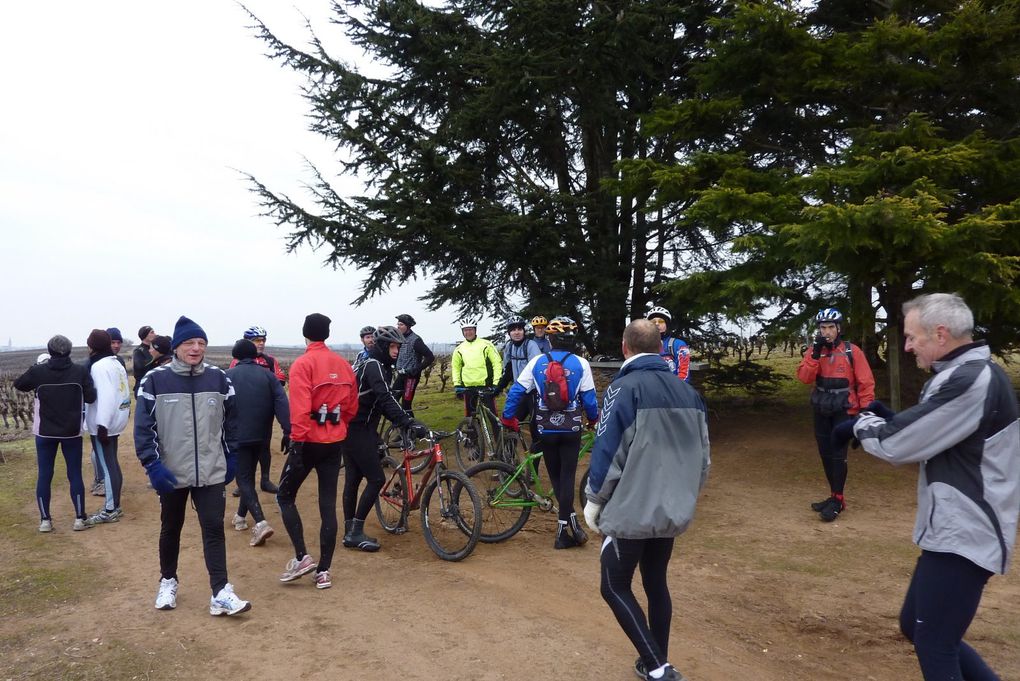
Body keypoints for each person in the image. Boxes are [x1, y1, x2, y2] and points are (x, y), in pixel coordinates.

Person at [833, 293, 1019, 681]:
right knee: (915, 625)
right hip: (953, 527)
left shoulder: (972, 379)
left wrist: (861, 425)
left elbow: (899, 445)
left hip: (968, 530)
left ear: (940, 333)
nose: (906, 346)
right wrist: (896, 419)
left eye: (912, 337)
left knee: (935, 641)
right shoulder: (964, 373)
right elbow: (941, 433)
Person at [583, 318, 711, 681]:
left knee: (613, 584)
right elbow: (703, 458)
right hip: (671, 507)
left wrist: (594, 501)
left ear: (625, 347)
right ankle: (656, 658)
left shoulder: (624, 389)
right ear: (660, 346)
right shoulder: (688, 392)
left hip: (632, 510)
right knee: (656, 581)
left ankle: (658, 666)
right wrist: (686, 495)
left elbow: (609, 451)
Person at [135, 315, 251, 616]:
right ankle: (168, 580)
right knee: (171, 527)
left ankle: (220, 592)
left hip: (211, 470)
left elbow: (233, 423)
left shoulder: (218, 378)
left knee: (213, 528)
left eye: (201, 343)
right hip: (171, 472)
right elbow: (143, 428)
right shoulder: (155, 380)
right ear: (176, 347)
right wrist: (152, 465)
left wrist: (232, 457)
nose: (196, 348)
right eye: (189, 343)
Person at [277, 313, 358, 590]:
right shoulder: (343, 365)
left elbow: (299, 407)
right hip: (334, 442)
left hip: (308, 440)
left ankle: (302, 556)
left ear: (305, 334)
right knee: (327, 505)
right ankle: (324, 571)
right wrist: (338, 426)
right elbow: (351, 406)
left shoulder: (303, 364)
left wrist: (297, 441)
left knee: (285, 494)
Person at [502, 316, 598, 548]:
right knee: (567, 477)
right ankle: (564, 529)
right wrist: (593, 419)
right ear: (573, 340)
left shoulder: (537, 362)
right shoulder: (581, 363)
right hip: (570, 427)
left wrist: (508, 417)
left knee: (556, 475)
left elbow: (517, 391)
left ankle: (567, 527)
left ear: (551, 339)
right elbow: (590, 399)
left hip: (545, 426)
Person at [343, 326, 429, 552]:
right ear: (382, 346)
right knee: (376, 479)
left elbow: (381, 403)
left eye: (398, 347)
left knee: (352, 480)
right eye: (392, 346)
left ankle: (349, 531)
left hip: (354, 429)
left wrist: (400, 421)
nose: (396, 351)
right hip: (359, 430)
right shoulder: (374, 366)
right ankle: (354, 532)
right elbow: (385, 398)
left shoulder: (374, 365)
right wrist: (408, 421)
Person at [795, 307, 875, 521]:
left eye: (831, 327)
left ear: (839, 328)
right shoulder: (815, 350)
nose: (827, 332)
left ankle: (838, 500)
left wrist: (865, 411)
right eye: (823, 328)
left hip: (843, 410)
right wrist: (814, 354)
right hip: (821, 408)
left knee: (838, 456)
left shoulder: (852, 351)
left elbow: (865, 383)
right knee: (825, 454)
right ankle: (833, 496)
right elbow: (804, 377)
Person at [14, 335, 97, 533]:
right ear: (69, 351)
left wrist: (36, 369)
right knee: (74, 474)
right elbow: (92, 397)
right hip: (71, 431)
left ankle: (45, 520)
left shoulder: (39, 371)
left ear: (49, 351)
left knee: (44, 474)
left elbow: (19, 384)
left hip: (44, 432)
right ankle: (79, 518)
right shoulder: (79, 371)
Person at [226, 339, 291, 547]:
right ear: (255, 355)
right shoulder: (269, 376)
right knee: (248, 476)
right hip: (261, 435)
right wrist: (288, 431)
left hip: (237, 437)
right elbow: (282, 403)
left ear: (236, 356)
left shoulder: (227, 377)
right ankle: (240, 517)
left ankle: (261, 523)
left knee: (243, 478)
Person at [228, 325, 286, 496]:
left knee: (264, 447)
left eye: (263, 340)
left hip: (265, 410)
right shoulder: (236, 361)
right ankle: (243, 482)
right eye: (256, 340)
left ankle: (265, 480)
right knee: (243, 449)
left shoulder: (270, 360)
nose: (261, 344)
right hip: (243, 409)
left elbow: (281, 378)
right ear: (248, 342)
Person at [83, 329, 132, 526]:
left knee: (107, 465)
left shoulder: (99, 367)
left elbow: (107, 396)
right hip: (116, 420)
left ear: (92, 346)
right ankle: (115, 506)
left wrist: (102, 425)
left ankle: (110, 509)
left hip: (104, 423)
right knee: (112, 463)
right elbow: (123, 393)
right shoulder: (115, 363)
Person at [495, 316, 542, 448]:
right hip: (519, 393)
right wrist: (498, 388)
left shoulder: (531, 345)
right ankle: (509, 460)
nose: (516, 332)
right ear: (509, 332)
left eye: (519, 329)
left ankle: (535, 465)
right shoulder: (509, 347)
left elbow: (538, 369)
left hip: (533, 393)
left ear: (524, 331)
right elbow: (508, 370)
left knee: (535, 430)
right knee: (510, 425)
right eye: (513, 329)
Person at [452, 320, 503, 438]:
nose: (468, 332)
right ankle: (473, 445)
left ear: (475, 330)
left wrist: (496, 383)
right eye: (465, 330)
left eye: (470, 329)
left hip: (486, 386)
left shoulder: (486, 344)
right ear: (462, 332)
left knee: (493, 416)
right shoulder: (459, 349)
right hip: (468, 387)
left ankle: (500, 443)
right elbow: (456, 367)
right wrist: (457, 385)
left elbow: (497, 363)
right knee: (470, 418)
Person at [393, 314, 435, 417]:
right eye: (398, 324)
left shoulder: (416, 340)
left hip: (411, 377)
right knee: (393, 399)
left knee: (406, 405)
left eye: (401, 324)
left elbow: (430, 357)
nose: (398, 326)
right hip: (401, 375)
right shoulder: (399, 339)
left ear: (408, 326)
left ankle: (412, 429)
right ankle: (401, 424)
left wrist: (416, 369)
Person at [645, 307, 691, 382]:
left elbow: (684, 375)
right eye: (653, 322)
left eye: (661, 321)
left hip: (673, 390)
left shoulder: (678, 345)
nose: (657, 324)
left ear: (667, 324)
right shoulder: (644, 345)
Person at [132, 325, 156, 392]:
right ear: (145, 336)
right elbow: (140, 366)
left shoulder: (156, 349)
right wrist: (155, 359)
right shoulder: (138, 350)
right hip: (142, 386)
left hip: (154, 384)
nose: (155, 334)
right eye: (152, 332)